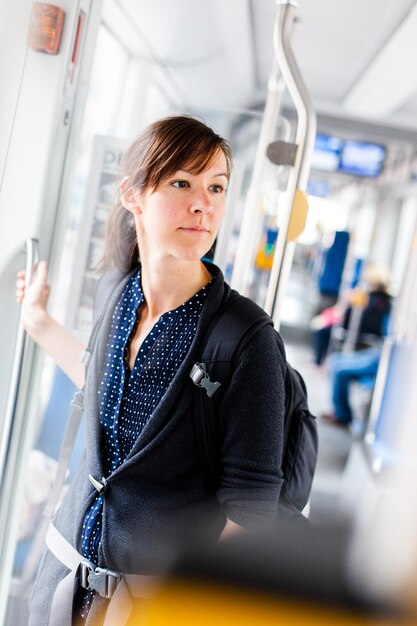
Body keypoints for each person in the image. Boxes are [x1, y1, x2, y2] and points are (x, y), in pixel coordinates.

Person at [16, 115, 286, 625]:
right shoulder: (117, 295)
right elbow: (106, 386)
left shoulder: (245, 339)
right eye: (181, 182)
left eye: (216, 187)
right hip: (67, 589)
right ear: (132, 195)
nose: (202, 203)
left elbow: (250, 513)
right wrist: (38, 322)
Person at [321, 347, 381, 427]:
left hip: (379, 363)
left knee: (340, 371)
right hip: (376, 354)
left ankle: (342, 416)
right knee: (334, 359)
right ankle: (340, 412)